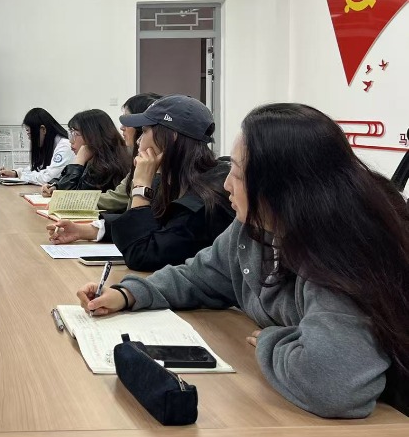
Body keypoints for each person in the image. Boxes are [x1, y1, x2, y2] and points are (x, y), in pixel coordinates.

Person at [77, 103, 409, 419]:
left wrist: (271, 339)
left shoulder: (339, 249)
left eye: (237, 172)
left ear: (281, 186)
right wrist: (129, 294)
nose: (226, 184)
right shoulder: (255, 225)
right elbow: (200, 275)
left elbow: (332, 385)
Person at [49, 95, 234, 271]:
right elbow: (154, 224)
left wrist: (141, 187)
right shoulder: (176, 179)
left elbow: (142, 254)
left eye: (144, 131)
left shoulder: (204, 198)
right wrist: (85, 231)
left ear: (171, 138)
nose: (138, 140)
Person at [98, 92, 162, 212]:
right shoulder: (141, 159)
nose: (122, 127)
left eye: (128, 121)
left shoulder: (159, 168)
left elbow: (114, 201)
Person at [42, 109, 129, 195]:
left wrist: (78, 163)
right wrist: (55, 185)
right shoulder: (93, 160)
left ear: (92, 137)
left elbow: (70, 197)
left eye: (75, 134)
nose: (71, 141)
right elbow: (67, 181)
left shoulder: (104, 168)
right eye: (70, 134)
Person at [0, 108, 72, 185]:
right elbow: (37, 168)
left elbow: (49, 178)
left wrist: (22, 176)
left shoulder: (64, 146)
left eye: (29, 132)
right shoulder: (49, 144)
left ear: (43, 129)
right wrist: (16, 173)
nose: (29, 138)